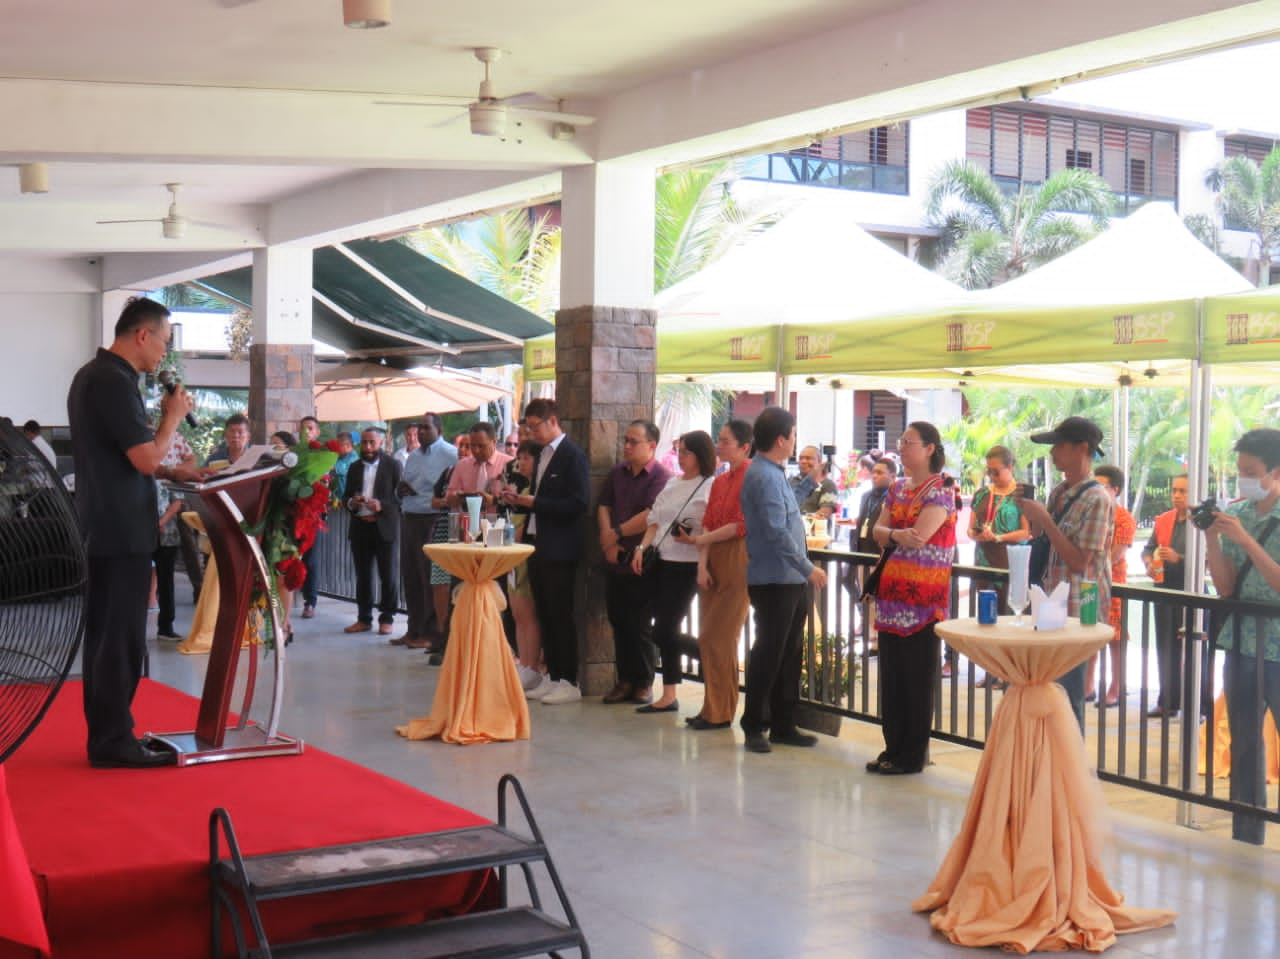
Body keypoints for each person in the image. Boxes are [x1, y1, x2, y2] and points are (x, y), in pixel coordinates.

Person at [67, 295, 205, 768]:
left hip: (107, 523)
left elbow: (127, 462)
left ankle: (110, 735)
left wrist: (174, 474)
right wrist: (171, 418)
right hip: (119, 529)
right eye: (164, 342)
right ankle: (113, 742)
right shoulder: (112, 381)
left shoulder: (97, 375)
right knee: (119, 636)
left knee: (111, 633)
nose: (164, 354)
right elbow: (143, 457)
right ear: (141, 334)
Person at [1204, 428, 1280, 845]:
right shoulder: (1240, 512)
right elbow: (1226, 587)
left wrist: (1247, 541)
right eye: (1241, 472)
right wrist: (1212, 537)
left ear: (1275, 471)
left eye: (1251, 472)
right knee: (1245, 742)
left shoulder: (1252, 524)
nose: (1244, 480)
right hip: (1241, 644)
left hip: (1278, 646)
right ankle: (1246, 833)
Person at [867, 421, 956, 775]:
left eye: (909, 442)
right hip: (892, 596)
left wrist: (893, 534)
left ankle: (912, 754)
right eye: (900, 442)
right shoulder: (898, 488)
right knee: (891, 677)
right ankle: (893, 747)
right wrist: (895, 535)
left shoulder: (943, 489)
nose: (901, 448)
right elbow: (876, 531)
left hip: (923, 599)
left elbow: (920, 535)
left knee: (916, 679)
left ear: (930, 448)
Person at [739, 407, 827, 754]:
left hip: (786, 577)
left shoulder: (772, 472)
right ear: (781, 440)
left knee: (789, 651)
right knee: (769, 651)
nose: (795, 441)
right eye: (792, 435)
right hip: (776, 578)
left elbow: (787, 507)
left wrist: (810, 481)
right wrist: (808, 568)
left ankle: (782, 723)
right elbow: (776, 531)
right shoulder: (763, 475)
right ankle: (754, 724)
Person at [1017, 416, 1113, 730]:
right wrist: (1034, 518)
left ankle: (1071, 774)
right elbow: (1047, 544)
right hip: (1050, 603)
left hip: (1077, 607)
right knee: (1046, 691)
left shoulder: (1097, 498)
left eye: (1058, 445)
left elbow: (1080, 562)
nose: (1053, 453)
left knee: (1069, 696)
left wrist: (1045, 520)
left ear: (1082, 449)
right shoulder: (1060, 491)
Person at [500, 398, 590, 705]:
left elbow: (578, 504)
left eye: (535, 426)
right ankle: (551, 675)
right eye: (527, 427)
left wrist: (534, 503)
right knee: (546, 615)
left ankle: (569, 679)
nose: (531, 433)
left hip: (561, 548)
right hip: (539, 544)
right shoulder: (542, 456)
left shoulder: (572, 456)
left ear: (553, 421)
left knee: (561, 615)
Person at [631, 430, 714, 714]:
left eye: (686, 452)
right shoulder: (671, 483)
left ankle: (709, 654)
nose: (680, 456)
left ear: (701, 455)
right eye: (679, 450)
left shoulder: (709, 486)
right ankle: (669, 693)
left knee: (664, 628)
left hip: (687, 564)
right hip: (661, 560)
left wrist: (701, 558)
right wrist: (641, 549)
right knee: (657, 626)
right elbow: (653, 521)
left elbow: (710, 529)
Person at [684, 420, 753, 731]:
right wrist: (701, 563)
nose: (720, 444)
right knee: (708, 637)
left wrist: (702, 542)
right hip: (713, 555)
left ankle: (721, 710)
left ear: (744, 447)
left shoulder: (751, 476)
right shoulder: (720, 481)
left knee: (722, 638)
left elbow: (741, 525)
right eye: (720, 440)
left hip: (738, 556)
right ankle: (713, 707)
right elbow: (709, 523)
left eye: (726, 441)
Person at [597, 419, 670, 706]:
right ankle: (624, 679)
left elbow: (651, 515)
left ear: (651, 446)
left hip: (642, 560)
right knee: (618, 619)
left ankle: (644, 681)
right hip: (615, 558)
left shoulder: (661, 476)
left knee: (640, 622)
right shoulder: (618, 473)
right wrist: (608, 540)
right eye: (625, 441)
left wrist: (616, 533)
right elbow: (605, 505)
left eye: (633, 442)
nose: (626, 446)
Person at [968, 445, 1030, 686]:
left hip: (1010, 559)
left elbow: (1028, 531)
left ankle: (1008, 672)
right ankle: (990, 670)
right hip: (983, 559)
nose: (992, 477)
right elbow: (971, 527)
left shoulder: (1022, 495)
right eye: (989, 471)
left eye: (997, 471)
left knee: (1009, 615)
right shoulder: (982, 494)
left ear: (1010, 467)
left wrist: (1000, 537)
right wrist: (978, 534)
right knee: (986, 617)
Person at [396, 413, 457, 651]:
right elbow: (405, 484)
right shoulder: (413, 456)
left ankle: (432, 633)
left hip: (432, 519)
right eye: (419, 428)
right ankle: (413, 629)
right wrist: (399, 491)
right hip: (409, 517)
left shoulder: (450, 454)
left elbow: (447, 490)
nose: (420, 432)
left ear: (438, 429)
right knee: (410, 575)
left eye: (425, 427)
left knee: (430, 577)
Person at [343, 427, 402, 635]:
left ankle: (387, 618)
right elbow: (346, 497)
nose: (367, 447)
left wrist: (381, 505)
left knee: (389, 576)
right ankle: (364, 618)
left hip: (384, 528)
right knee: (363, 576)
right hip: (360, 527)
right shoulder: (354, 467)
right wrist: (353, 502)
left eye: (371, 443)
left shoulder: (393, 466)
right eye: (364, 443)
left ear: (381, 444)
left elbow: (401, 498)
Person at [1142, 474, 1190, 718]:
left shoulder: (1200, 523)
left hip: (1190, 592)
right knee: (1165, 647)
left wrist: (1178, 558)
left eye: (1183, 491)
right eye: (1174, 490)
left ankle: (1196, 705)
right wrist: (1150, 562)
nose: (1177, 495)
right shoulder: (1163, 519)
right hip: (1164, 589)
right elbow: (1148, 548)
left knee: (1192, 651)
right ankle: (1167, 701)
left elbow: (1208, 560)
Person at [1088, 464, 1134, 707]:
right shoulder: (1091, 512)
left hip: (1114, 583)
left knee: (1116, 639)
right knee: (1088, 632)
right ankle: (1088, 684)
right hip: (1089, 582)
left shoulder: (1124, 518)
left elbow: (1114, 556)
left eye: (1103, 486)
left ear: (1115, 490)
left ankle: (1117, 686)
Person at [506, 439, 544, 689]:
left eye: (528, 457)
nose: (521, 462)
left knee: (529, 614)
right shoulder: (523, 487)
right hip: (513, 555)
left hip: (528, 555)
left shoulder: (537, 491)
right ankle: (524, 662)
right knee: (517, 613)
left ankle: (532, 666)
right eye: (520, 457)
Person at [854, 455, 897, 655]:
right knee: (868, 599)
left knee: (881, 600)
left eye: (880, 473)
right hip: (862, 553)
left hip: (879, 556)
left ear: (893, 476)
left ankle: (881, 641)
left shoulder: (892, 499)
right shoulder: (867, 496)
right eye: (874, 472)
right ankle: (872, 639)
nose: (875, 476)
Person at [446, 421, 512, 510]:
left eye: (481, 446)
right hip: (468, 520)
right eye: (473, 445)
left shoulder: (509, 464)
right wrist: (459, 497)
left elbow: (515, 500)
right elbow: (449, 499)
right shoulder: (462, 465)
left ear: (494, 442)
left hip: (499, 521)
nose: (476, 450)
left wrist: (494, 500)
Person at [298, 415, 323, 618]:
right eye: (303, 428)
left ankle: (310, 601)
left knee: (311, 560)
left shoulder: (323, 455)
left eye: (310, 428)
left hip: (313, 515)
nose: (306, 432)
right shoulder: (294, 453)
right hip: (294, 512)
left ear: (317, 432)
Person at [330, 431, 358, 501]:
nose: (336, 447)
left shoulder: (352, 459)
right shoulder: (343, 456)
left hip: (347, 502)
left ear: (347, 445)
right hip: (339, 498)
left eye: (338, 445)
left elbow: (331, 467)